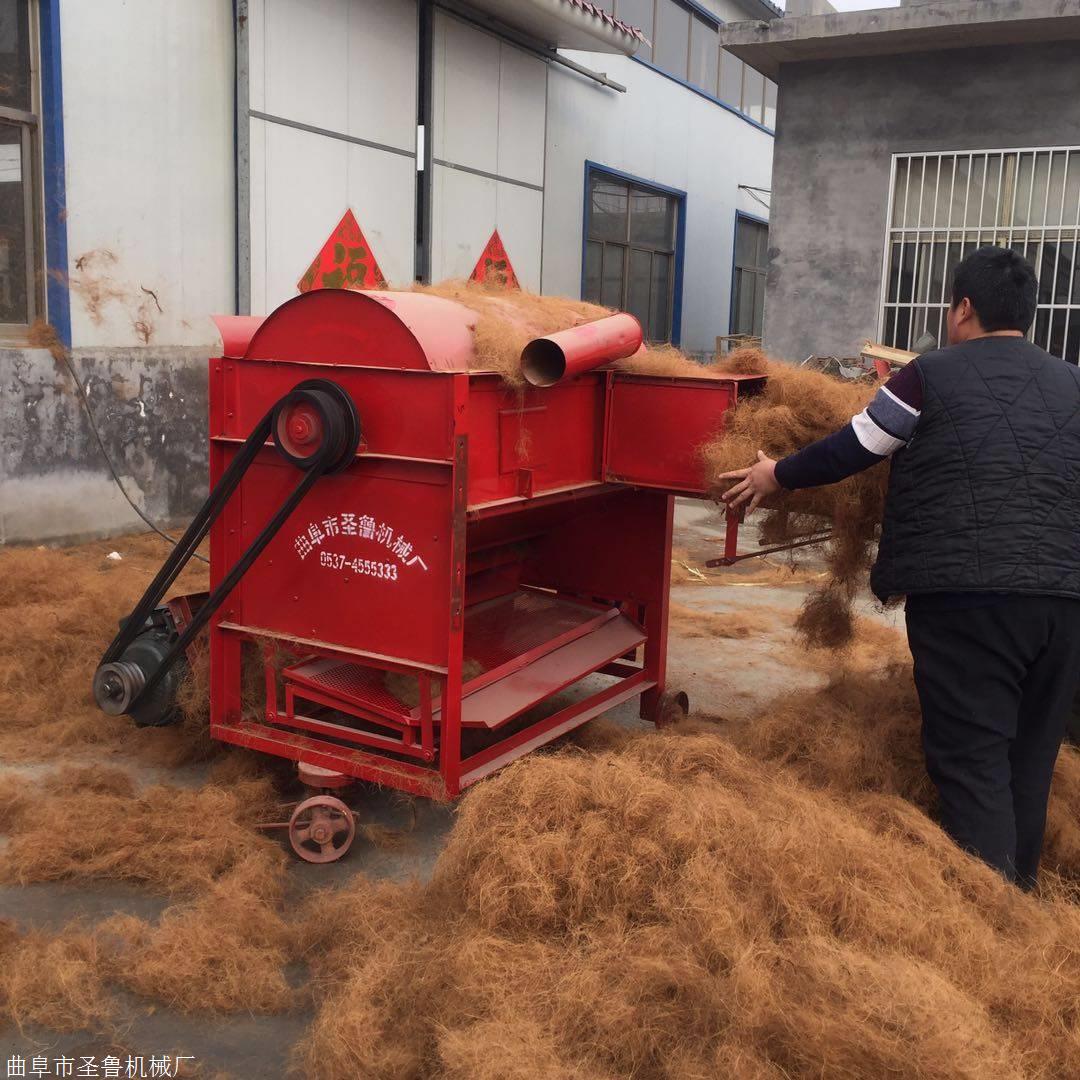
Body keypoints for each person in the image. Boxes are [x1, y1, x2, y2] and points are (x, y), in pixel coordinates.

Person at [720, 246, 1080, 890]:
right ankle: (1023, 901)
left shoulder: (928, 376)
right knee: (1030, 758)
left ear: (963, 308)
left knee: (972, 762)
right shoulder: (1072, 383)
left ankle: (989, 918)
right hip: (1064, 605)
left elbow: (858, 445)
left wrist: (776, 473)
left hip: (967, 600)